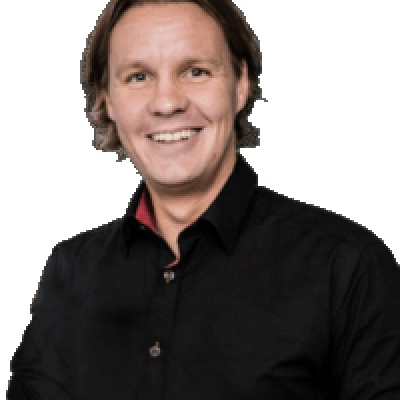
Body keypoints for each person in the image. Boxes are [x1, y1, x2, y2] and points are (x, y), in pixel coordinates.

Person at [7, 0, 400, 399]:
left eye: (195, 72)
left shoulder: (348, 267)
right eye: (138, 77)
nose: (167, 103)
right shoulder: (71, 271)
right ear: (107, 99)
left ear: (241, 84)